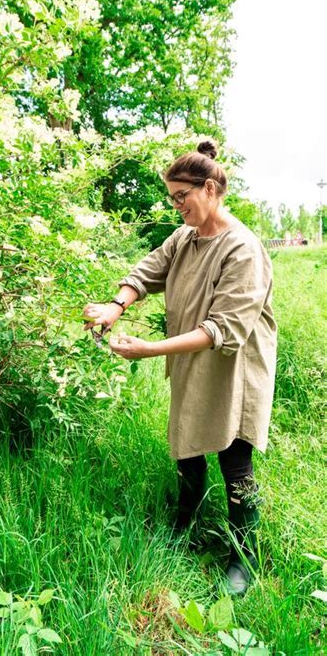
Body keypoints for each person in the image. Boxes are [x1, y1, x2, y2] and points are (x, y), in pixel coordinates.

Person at [83, 140, 277, 595]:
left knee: (235, 458)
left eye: (180, 197)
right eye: (172, 197)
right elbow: (150, 269)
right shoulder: (186, 237)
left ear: (209, 189)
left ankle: (244, 557)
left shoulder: (242, 249)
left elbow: (221, 329)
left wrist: (151, 349)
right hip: (191, 359)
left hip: (233, 367)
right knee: (188, 442)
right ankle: (183, 523)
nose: (175, 206)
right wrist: (116, 306)